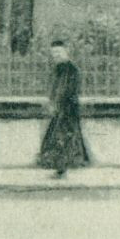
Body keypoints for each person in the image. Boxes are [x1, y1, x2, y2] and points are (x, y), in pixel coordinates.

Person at [36, 42, 91, 178]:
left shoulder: (72, 69)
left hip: (68, 109)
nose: (56, 56)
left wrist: (59, 104)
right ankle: (61, 169)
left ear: (66, 51)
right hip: (59, 109)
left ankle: (63, 169)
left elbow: (69, 90)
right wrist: (53, 102)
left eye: (59, 52)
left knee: (64, 138)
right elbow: (54, 88)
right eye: (53, 53)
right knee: (58, 139)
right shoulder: (58, 68)